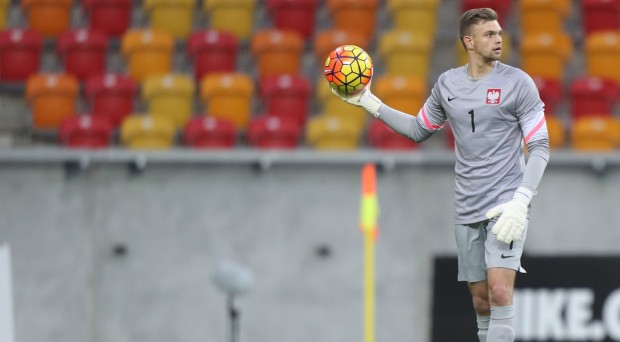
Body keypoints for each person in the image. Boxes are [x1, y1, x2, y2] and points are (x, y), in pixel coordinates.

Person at [332, 7, 549, 342]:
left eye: (499, 33)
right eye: (489, 34)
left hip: (506, 206)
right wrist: (370, 103)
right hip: (466, 206)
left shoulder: (519, 83)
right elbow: (419, 130)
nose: (498, 39)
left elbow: (540, 147)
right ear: (469, 41)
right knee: (481, 301)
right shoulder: (448, 84)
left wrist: (521, 201)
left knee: (500, 291)